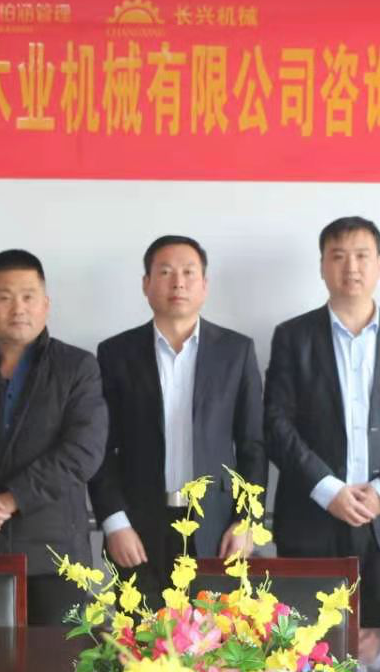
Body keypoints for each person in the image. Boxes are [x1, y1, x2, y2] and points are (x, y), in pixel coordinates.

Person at [264, 216, 380, 628]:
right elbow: (276, 424)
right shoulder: (292, 336)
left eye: (362, 256)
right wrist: (328, 489)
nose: (351, 267)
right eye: (338, 256)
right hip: (312, 518)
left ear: (379, 265)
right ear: (322, 266)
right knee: (304, 649)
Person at [0, 250, 108, 625]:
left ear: (46, 305)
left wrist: (14, 498)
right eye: (5, 297)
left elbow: (82, 453)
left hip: (56, 558)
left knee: (59, 660)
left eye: (28, 296)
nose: (18, 309)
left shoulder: (77, 368)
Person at [89, 235, 266, 597]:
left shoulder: (236, 351)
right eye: (165, 272)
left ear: (204, 285)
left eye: (189, 272)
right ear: (146, 284)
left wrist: (246, 520)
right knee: (139, 631)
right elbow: (99, 449)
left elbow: (254, 445)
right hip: (138, 528)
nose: (178, 283)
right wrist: (114, 522)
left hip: (218, 528)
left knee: (217, 630)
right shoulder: (115, 353)